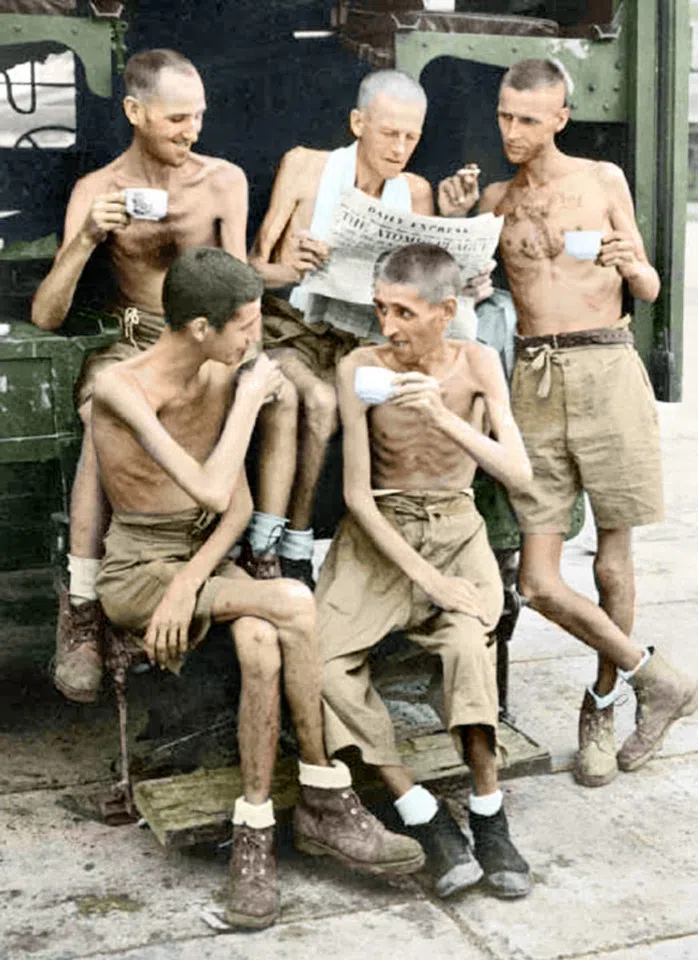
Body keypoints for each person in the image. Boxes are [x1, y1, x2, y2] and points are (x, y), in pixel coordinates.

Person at [91, 247, 424, 931]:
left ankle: (256, 832)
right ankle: (326, 798)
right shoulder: (123, 388)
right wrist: (249, 398)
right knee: (294, 601)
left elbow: (236, 509)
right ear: (199, 329)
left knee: (264, 644)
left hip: (201, 562)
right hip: (136, 570)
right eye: (245, 325)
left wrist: (190, 583)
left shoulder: (219, 372)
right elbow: (209, 487)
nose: (258, 338)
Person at [440, 58, 698, 788]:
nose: (513, 131)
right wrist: (460, 218)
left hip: (608, 366)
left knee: (613, 564)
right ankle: (659, 677)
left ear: (561, 116)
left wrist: (630, 262)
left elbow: (647, 286)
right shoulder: (494, 199)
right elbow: (463, 284)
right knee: (541, 580)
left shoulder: (602, 181)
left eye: (529, 118)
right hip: (533, 377)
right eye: (504, 116)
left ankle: (604, 704)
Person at [30, 49, 271, 705]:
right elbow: (46, 317)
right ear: (135, 112)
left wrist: (249, 350)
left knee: (279, 397)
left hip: (211, 341)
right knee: (97, 416)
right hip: (131, 343)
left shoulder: (222, 180)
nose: (192, 131)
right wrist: (85, 238)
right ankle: (81, 603)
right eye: (176, 119)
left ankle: (262, 550)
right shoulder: (99, 189)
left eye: (198, 116)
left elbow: (242, 285)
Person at [317, 243, 533, 899]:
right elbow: (357, 494)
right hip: (378, 534)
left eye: (405, 312)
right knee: (321, 666)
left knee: (469, 643)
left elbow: (519, 474)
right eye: (381, 308)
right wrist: (429, 582)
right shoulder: (359, 366)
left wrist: (442, 413)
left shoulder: (479, 362)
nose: (389, 325)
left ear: (447, 311)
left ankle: (489, 812)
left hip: (454, 524)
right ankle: (419, 810)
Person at [245, 69, 484, 587]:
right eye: (388, 133)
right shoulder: (306, 167)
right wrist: (295, 269)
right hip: (294, 331)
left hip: (363, 340)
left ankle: (420, 539)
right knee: (324, 402)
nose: (400, 148)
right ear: (358, 122)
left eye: (412, 136)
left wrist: (461, 244)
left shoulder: (414, 191)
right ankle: (290, 545)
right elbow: (252, 269)